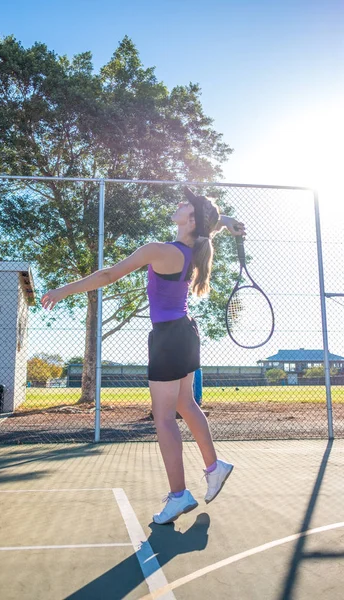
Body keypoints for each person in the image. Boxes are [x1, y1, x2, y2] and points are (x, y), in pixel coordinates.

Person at [41, 187, 246, 525]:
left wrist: (64, 290)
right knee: (185, 405)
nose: (178, 203)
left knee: (163, 417)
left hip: (168, 338)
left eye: (185, 204)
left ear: (191, 219)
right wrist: (226, 220)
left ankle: (179, 496)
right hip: (186, 333)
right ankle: (215, 466)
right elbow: (209, 222)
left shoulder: (159, 250)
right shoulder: (197, 246)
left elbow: (108, 275)